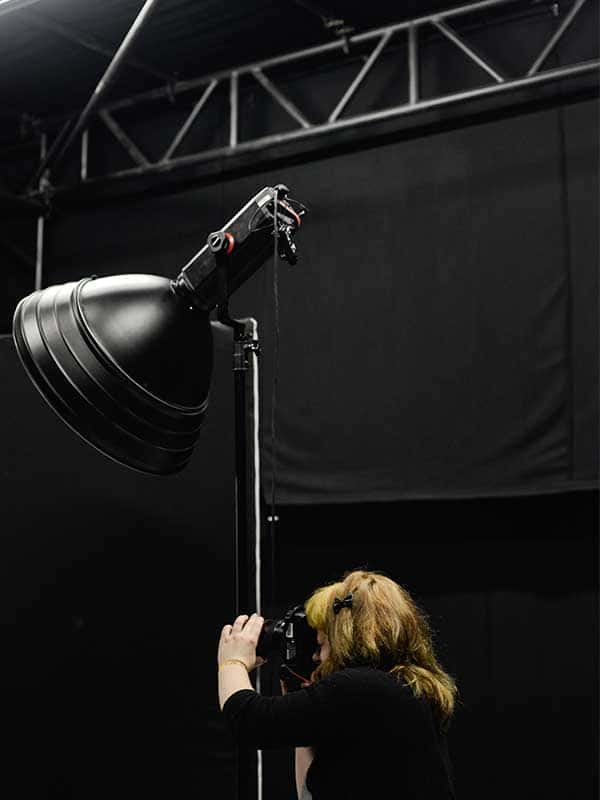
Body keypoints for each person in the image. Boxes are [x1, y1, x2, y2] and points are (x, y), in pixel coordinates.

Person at [217, 569, 458, 799]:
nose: (317, 658)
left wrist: (232, 661)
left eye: (322, 645)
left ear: (343, 636)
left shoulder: (360, 687)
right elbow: (310, 793)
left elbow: (249, 720)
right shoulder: (407, 690)